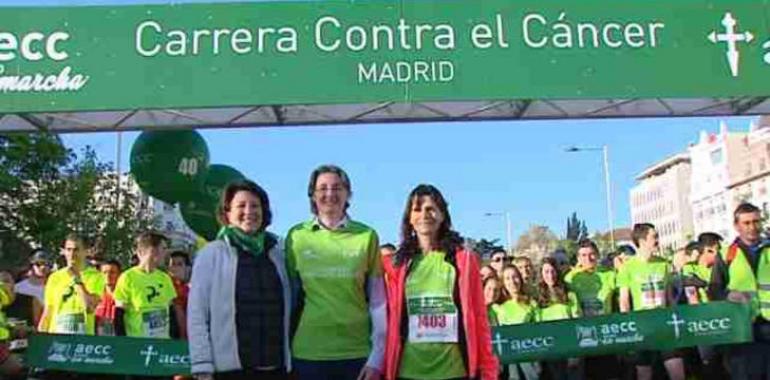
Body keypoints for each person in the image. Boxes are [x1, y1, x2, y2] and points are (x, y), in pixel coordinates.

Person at [382, 184, 498, 380]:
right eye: (417, 209)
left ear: (442, 215)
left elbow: (479, 318)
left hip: (454, 371)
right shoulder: (396, 265)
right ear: (409, 218)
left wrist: (488, 370)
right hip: (408, 371)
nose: (424, 215)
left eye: (431, 209)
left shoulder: (463, 259)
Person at [285, 165, 384, 380]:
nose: (329, 194)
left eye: (337, 188)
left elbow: (378, 301)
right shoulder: (296, 236)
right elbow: (289, 299)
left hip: (356, 352)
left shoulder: (367, 235)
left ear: (348, 193)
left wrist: (378, 356)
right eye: (322, 188)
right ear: (312, 195)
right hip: (308, 352)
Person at [189, 180, 292, 380]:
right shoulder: (212, 254)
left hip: (276, 368)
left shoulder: (279, 254)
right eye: (241, 206)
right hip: (230, 370)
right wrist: (202, 365)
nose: (249, 211)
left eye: (255, 206)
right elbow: (197, 314)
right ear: (227, 213)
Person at [710, 203, 770, 380]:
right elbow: (714, 289)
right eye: (747, 223)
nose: (753, 227)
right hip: (742, 329)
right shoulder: (727, 254)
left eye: (756, 222)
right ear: (737, 226)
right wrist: (728, 295)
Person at [618, 223, 684, 380]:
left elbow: (669, 297)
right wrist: (629, 327)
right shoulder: (628, 267)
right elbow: (624, 301)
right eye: (654, 237)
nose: (658, 240)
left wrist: (675, 317)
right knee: (644, 374)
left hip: (665, 325)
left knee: (677, 372)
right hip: (643, 326)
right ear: (641, 241)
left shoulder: (663, 264)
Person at [564, 239, 619, 380]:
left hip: (606, 334)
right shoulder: (571, 278)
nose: (588, 259)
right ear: (578, 258)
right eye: (583, 255)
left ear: (598, 254)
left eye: (591, 254)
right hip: (583, 335)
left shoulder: (609, 275)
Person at [113, 232, 178, 340]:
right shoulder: (127, 277)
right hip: (138, 344)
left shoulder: (164, 278)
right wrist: (122, 343)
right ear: (152, 250)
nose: (166, 253)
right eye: (164, 248)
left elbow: (171, 311)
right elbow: (119, 314)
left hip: (162, 343)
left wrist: (175, 339)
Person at [38, 233, 105, 335]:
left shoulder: (96, 277)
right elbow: (48, 312)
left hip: (82, 338)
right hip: (57, 338)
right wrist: (40, 337)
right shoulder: (54, 277)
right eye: (68, 249)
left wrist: (76, 279)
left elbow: (89, 307)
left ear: (86, 251)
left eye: (76, 249)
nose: (71, 254)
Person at [537, 257, 580, 380]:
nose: (550, 275)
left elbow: (577, 323)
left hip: (571, 348)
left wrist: (575, 354)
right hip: (550, 351)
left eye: (553, 271)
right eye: (546, 271)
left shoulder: (570, 295)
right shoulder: (537, 297)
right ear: (541, 274)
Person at [495, 265, 539, 380]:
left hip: (531, 355)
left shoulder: (531, 303)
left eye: (515, 277)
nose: (512, 282)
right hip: (511, 362)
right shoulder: (498, 307)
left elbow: (540, 330)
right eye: (507, 278)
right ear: (503, 282)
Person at [94, 259, 121, 336]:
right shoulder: (96, 296)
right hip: (100, 342)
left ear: (119, 275)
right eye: (104, 272)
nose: (108, 276)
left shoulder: (124, 297)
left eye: (112, 272)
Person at [168, 250, 191, 339]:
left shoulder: (191, 288)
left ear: (188, 268)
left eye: (179, 264)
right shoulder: (165, 286)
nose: (175, 268)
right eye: (172, 264)